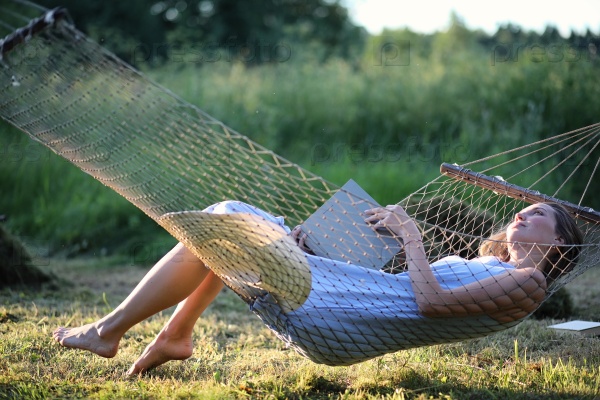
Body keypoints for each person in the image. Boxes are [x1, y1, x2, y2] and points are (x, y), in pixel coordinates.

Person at [52, 200, 583, 372]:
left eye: (536, 214)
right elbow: (400, 291)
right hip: (344, 303)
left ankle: (110, 330)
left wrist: (411, 236)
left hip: (339, 320)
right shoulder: (495, 269)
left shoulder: (530, 280)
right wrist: (313, 253)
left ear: (558, 243)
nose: (520, 214)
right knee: (235, 233)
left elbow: (428, 301)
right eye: (521, 208)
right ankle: (174, 335)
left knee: (231, 218)